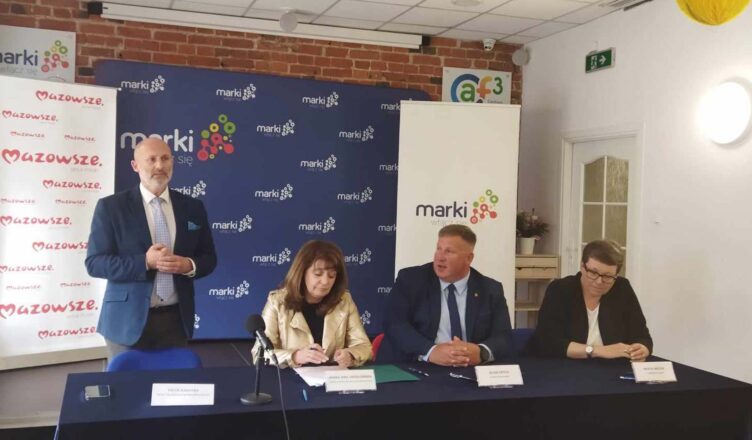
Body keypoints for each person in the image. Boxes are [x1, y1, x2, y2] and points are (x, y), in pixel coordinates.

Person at [85, 138, 217, 360]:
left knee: (172, 381)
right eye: (152, 159)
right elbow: (95, 263)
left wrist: (188, 265)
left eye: (165, 159)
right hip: (126, 323)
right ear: (135, 166)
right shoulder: (111, 208)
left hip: (176, 322)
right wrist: (145, 262)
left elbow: (209, 258)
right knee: (127, 382)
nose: (160, 166)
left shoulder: (193, 207)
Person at [379, 224, 511, 366]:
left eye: (449, 251)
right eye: (438, 249)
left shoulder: (490, 289)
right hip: (418, 365)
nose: (440, 257)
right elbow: (395, 324)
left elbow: (504, 336)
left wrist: (481, 352)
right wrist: (431, 351)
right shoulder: (411, 280)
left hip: (468, 367)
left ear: (468, 258)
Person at [253, 240, 372, 368]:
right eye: (318, 274)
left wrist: (350, 355)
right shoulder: (277, 302)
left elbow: (364, 346)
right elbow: (259, 353)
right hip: (290, 377)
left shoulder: (344, 300)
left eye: (332, 275)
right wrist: (295, 356)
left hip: (333, 377)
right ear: (302, 272)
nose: (325, 281)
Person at [530, 240, 652, 361]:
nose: (599, 281)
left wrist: (641, 349)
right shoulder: (560, 289)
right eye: (593, 272)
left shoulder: (622, 288)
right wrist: (598, 351)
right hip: (565, 365)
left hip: (611, 367)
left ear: (616, 275)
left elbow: (642, 336)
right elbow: (549, 343)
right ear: (582, 267)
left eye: (608, 276)